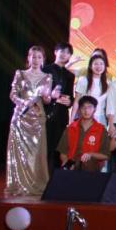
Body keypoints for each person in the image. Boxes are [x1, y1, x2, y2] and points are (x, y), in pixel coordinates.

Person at [6, 45, 54, 196]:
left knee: (36, 154)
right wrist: (23, 103)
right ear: (28, 58)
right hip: (20, 117)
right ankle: (18, 185)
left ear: (43, 59)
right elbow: (13, 94)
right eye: (33, 56)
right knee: (19, 153)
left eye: (39, 57)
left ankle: (36, 183)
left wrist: (48, 97)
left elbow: (47, 100)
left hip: (37, 119)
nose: (36, 60)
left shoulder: (47, 77)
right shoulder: (20, 74)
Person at [41, 42, 74, 171]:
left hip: (61, 116)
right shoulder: (45, 70)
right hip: (45, 114)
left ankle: (54, 177)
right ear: (55, 52)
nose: (64, 54)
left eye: (67, 52)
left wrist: (69, 102)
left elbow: (70, 96)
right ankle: (42, 177)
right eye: (62, 51)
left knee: (58, 149)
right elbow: (39, 93)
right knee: (44, 148)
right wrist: (52, 96)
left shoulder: (70, 75)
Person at [56, 96, 111, 172]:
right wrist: (66, 164)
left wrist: (91, 154)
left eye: (90, 107)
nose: (86, 110)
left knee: (89, 164)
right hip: (72, 168)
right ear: (79, 110)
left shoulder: (101, 130)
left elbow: (106, 155)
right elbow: (63, 152)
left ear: (95, 109)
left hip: (91, 169)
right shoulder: (71, 128)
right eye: (83, 107)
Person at [72, 53, 109, 126]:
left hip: (101, 118)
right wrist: (71, 120)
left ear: (105, 66)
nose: (99, 66)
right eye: (96, 64)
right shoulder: (83, 80)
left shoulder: (108, 83)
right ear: (90, 66)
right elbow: (76, 101)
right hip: (85, 116)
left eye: (101, 64)